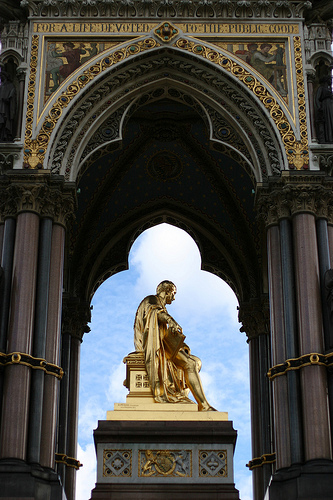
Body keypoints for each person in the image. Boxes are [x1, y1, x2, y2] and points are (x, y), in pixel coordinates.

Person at [134, 280, 215, 411]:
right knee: (190, 364)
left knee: (197, 362)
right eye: (173, 293)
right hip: (155, 349)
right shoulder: (151, 300)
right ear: (166, 291)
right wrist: (170, 320)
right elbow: (156, 313)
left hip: (163, 347)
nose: (174, 297)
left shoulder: (159, 304)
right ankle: (204, 406)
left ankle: (183, 397)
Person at [315, 76, 333, 144]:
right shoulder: (321, 88)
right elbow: (317, 98)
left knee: (331, 122)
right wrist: (319, 107)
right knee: (327, 122)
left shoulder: (329, 89)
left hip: (330, 106)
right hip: (326, 106)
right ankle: (328, 138)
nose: (331, 81)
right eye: (330, 80)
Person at [0, 71, 16, 142]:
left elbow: (12, 96)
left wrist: (7, 99)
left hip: (5, 108)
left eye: (2, 76)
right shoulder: (1, 86)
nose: (1, 78)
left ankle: (5, 135)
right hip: (1, 106)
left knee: (4, 121)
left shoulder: (10, 85)